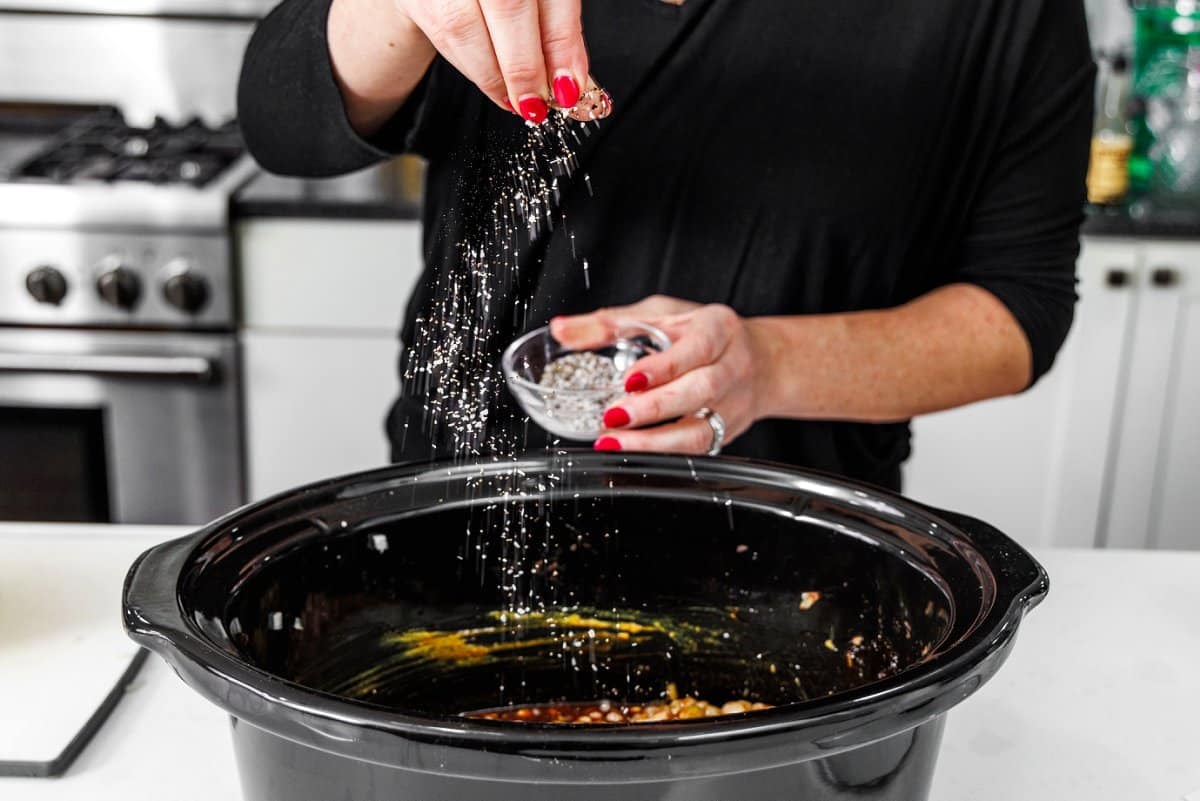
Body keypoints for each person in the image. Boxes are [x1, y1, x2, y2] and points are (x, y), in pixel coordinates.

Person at [238, 0, 1095, 492]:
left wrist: (766, 363)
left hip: (796, 537)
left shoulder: (1005, 13)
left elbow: (1019, 312)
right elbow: (285, 124)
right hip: (466, 500)